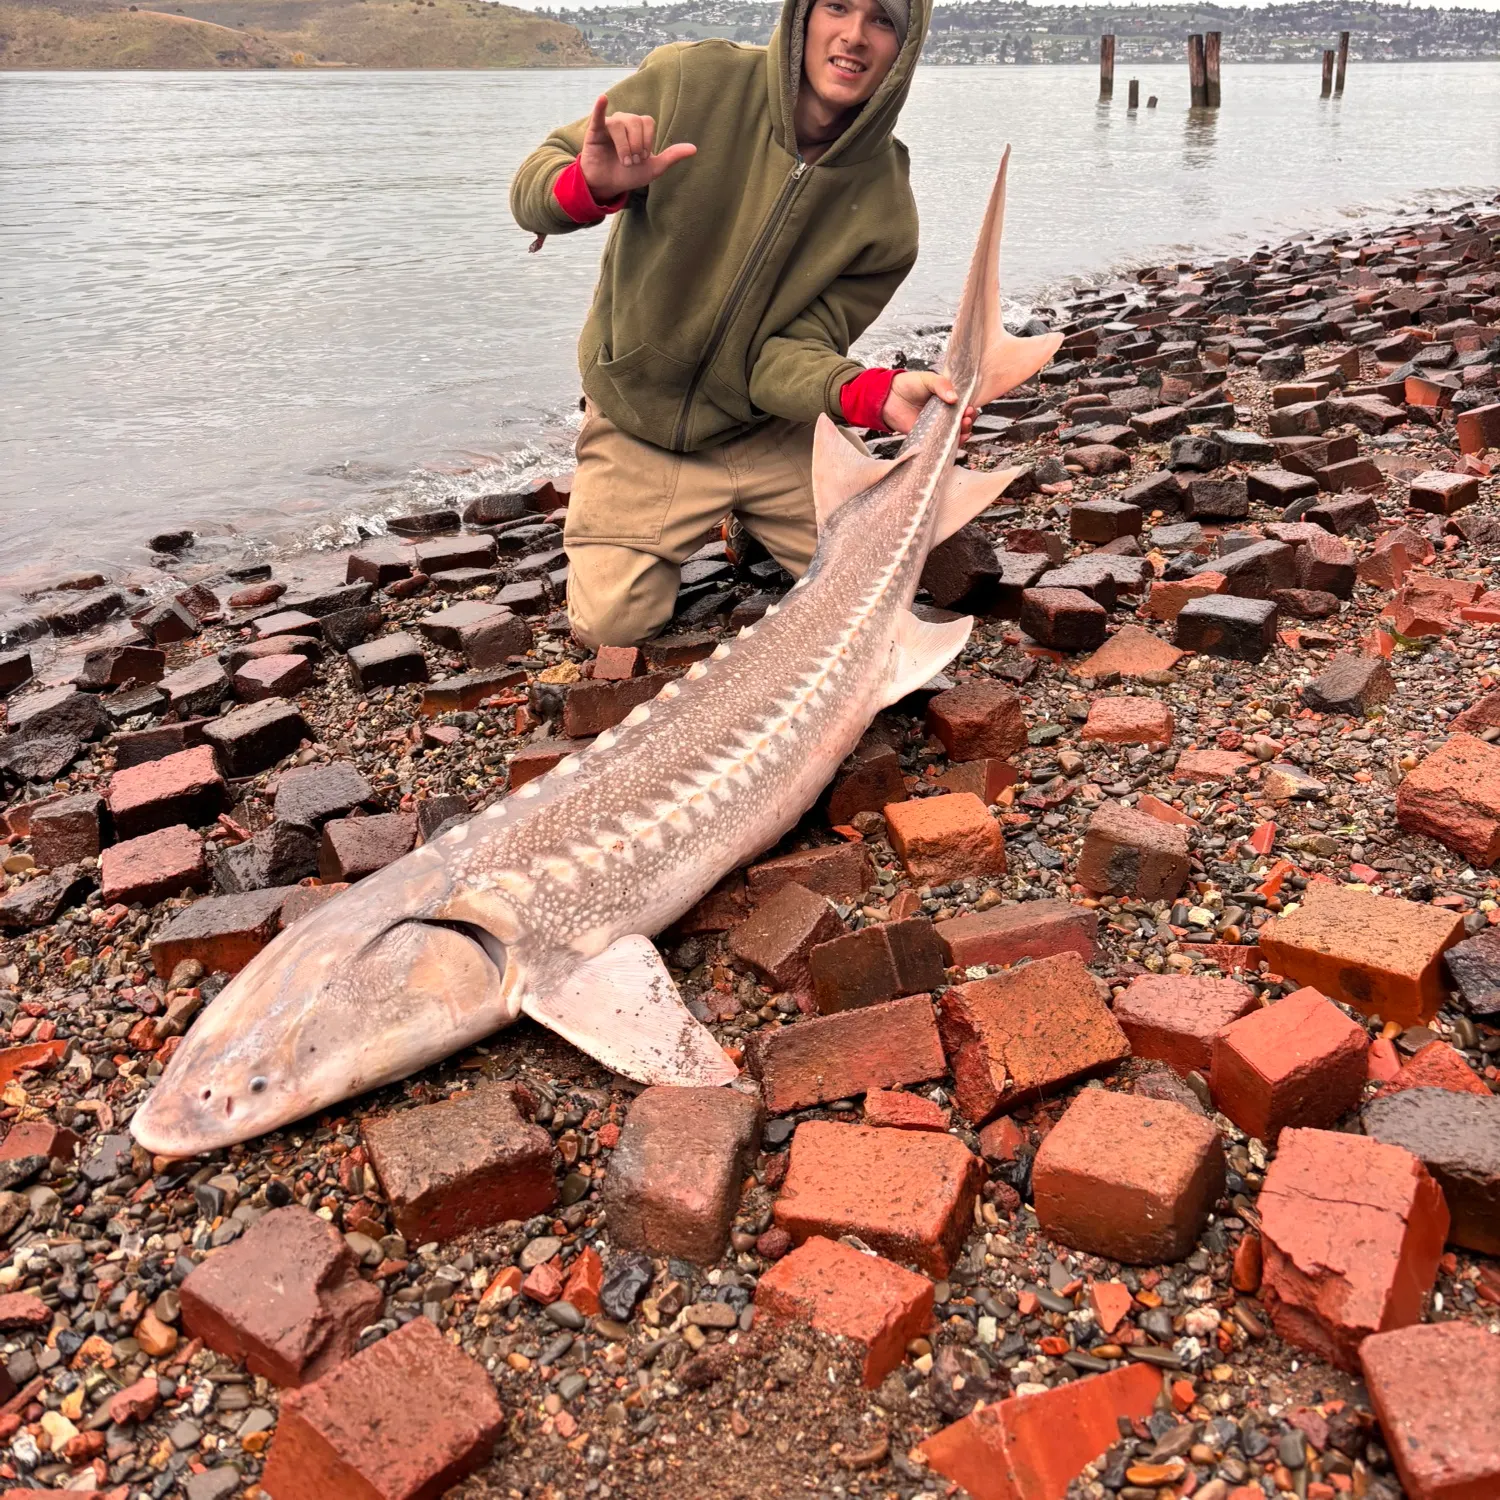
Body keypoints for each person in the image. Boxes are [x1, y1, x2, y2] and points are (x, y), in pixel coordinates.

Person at [511, 0, 974, 647]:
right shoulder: (691, 81)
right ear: (803, 13)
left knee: (880, 582)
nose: (854, 35)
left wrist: (871, 393)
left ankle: (757, 516)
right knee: (611, 626)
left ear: (906, 46)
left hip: (769, 426)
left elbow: (785, 355)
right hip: (640, 417)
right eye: (837, 6)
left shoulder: (888, 209)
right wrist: (588, 182)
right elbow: (529, 191)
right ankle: (724, 516)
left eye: (882, 20)